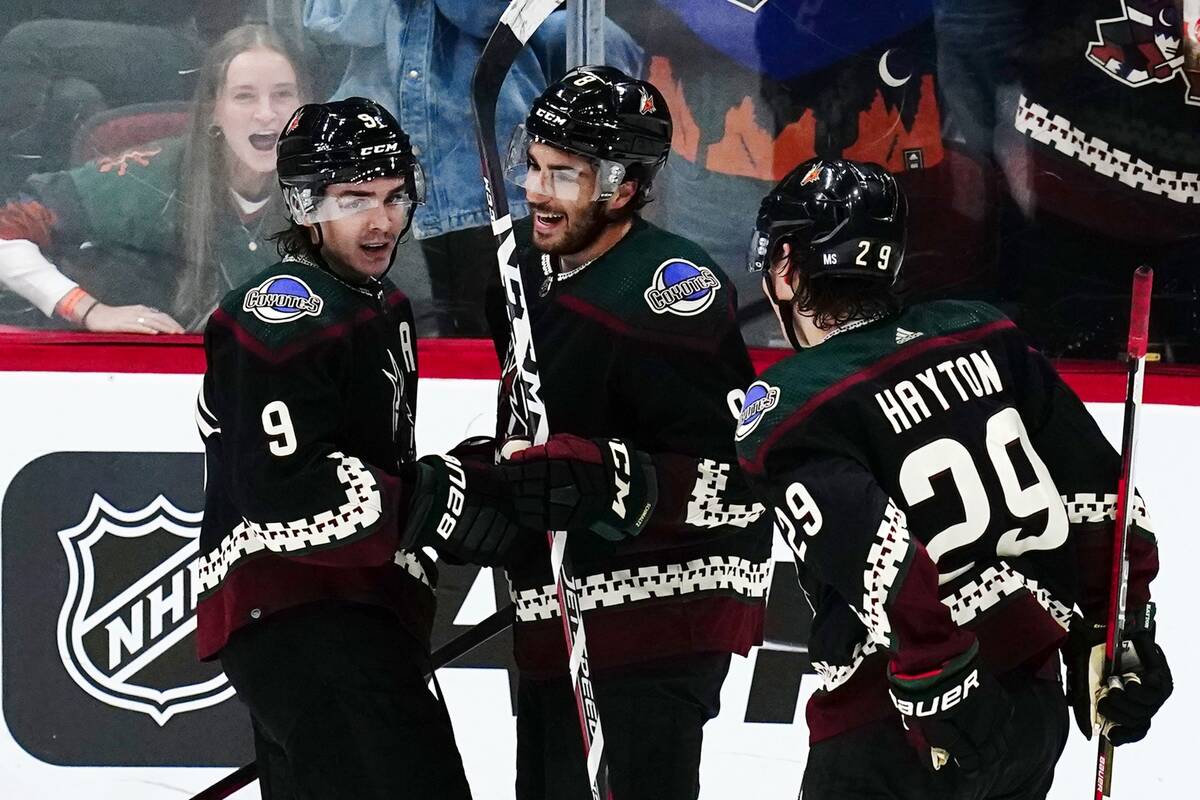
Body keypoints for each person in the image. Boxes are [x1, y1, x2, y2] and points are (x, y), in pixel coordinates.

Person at [736, 157, 1173, 798]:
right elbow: (1102, 497)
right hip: (1032, 711)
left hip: (900, 724)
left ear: (786, 263)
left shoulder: (790, 403)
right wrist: (1120, 634)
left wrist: (941, 684)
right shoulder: (984, 333)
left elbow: (881, 560)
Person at [194, 96, 534, 799]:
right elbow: (285, 490)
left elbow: (379, 469)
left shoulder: (378, 304)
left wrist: (458, 479)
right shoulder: (281, 310)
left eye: (393, 196)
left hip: (352, 612)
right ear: (304, 203)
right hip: (305, 617)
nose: (382, 222)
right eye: (354, 198)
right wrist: (426, 499)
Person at [476, 65, 773, 800]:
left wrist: (612, 479)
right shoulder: (517, 270)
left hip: (661, 623)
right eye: (534, 168)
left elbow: (743, 486)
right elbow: (538, 431)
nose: (539, 193)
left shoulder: (674, 295)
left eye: (565, 177)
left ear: (627, 186)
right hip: (559, 608)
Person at [303, 0, 644, 336]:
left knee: (491, 332)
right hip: (381, 175)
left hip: (475, 180)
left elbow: (481, 14)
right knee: (387, 329)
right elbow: (333, 21)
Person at [0, 23, 308, 333]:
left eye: (283, 94)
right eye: (245, 97)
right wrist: (89, 310)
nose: (266, 113)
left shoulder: (334, 185)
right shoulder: (147, 178)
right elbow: (6, 232)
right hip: (163, 368)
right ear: (214, 109)